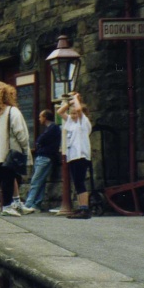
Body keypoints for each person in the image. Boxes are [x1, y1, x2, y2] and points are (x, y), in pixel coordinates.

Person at [0, 84, 32, 216]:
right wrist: (24, 147)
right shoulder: (13, 111)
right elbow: (21, 133)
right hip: (8, 151)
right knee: (8, 179)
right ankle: (7, 207)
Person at [57, 91, 93, 219]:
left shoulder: (83, 122)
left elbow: (78, 109)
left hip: (81, 155)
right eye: (71, 113)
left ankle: (85, 209)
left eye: (75, 113)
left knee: (80, 182)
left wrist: (76, 98)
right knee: (77, 183)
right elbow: (60, 112)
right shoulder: (71, 122)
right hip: (73, 156)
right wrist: (68, 103)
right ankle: (81, 207)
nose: (73, 115)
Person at [22, 109, 61, 214]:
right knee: (41, 181)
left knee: (35, 181)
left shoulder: (53, 128)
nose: (39, 119)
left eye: (40, 117)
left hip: (45, 157)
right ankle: (36, 204)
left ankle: (28, 204)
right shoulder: (51, 128)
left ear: (45, 117)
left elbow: (40, 140)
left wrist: (39, 142)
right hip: (45, 156)